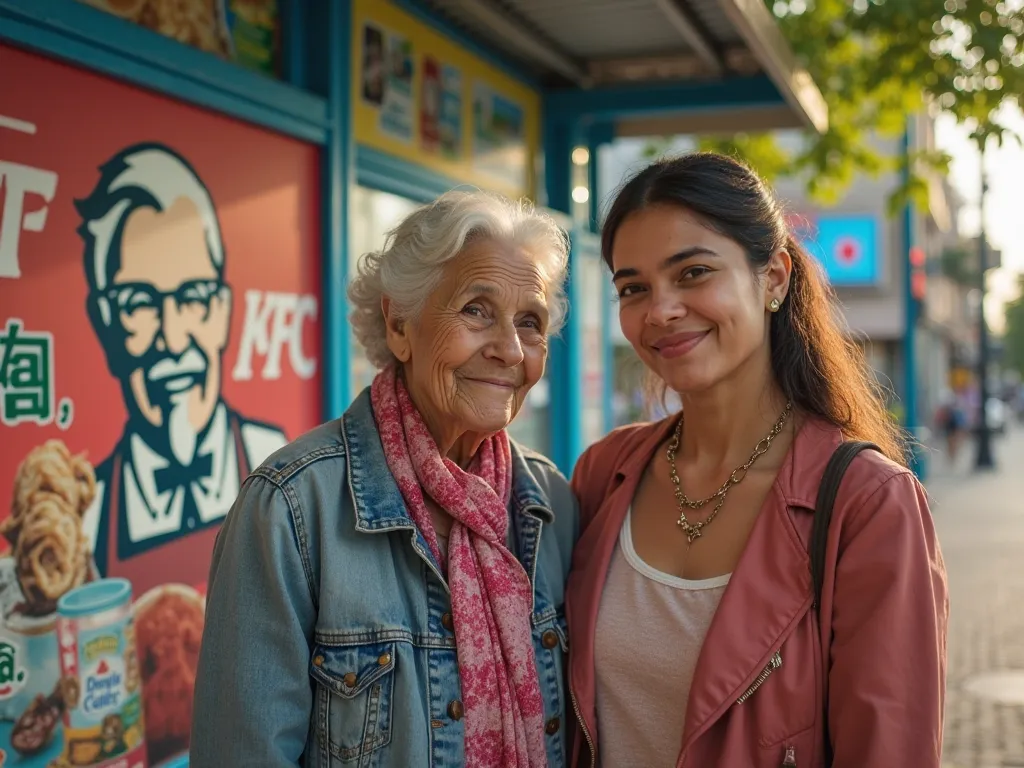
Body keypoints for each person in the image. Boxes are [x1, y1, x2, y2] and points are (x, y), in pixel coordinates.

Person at [566, 154, 948, 768]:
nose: (660, 310)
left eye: (692, 272)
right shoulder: (603, 473)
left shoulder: (867, 503)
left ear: (773, 277)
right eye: (633, 288)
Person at [192, 190, 578, 767]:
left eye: (531, 322)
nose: (510, 349)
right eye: (477, 310)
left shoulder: (550, 502)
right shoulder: (293, 508)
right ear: (400, 325)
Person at [75, 143, 287, 596]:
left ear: (223, 313)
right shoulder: (84, 517)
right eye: (138, 304)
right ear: (105, 325)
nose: (172, 338)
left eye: (192, 297)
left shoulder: (277, 465)